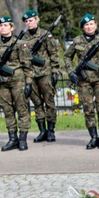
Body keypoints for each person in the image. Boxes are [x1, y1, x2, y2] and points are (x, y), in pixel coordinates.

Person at [0, 16, 32, 152]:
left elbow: (27, 65)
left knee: (22, 110)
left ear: (12, 27)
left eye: (6, 25)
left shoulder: (20, 44)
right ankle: (12, 139)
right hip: (1, 83)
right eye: (1, 25)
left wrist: (28, 83)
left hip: (18, 81)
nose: (3, 28)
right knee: (8, 111)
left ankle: (22, 139)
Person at [64, 14, 99, 150]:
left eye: (91, 24)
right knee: (88, 109)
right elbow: (67, 57)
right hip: (83, 80)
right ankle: (93, 137)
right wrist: (71, 72)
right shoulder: (77, 41)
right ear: (82, 27)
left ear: (96, 25)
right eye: (86, 25)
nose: (89, 27)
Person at [23, 10, 61, 143]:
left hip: (45, 73)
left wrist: (55, 71)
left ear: (37, 20)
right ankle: (42, 131)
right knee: (37, 104)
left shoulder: (45, 35)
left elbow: (54, 54)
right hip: (31, 75)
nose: (29, 23)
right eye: (26, 21)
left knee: (49, 102)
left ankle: (51, 130)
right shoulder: (22, 38)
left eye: (31, 20)